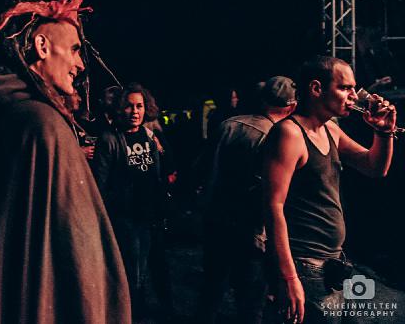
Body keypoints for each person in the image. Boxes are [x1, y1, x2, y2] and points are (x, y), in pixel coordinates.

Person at [0, 0, 164, 324]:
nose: (80, 64)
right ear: (42, 46)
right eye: (74, 49)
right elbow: (76, 254)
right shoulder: (41, 124)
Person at [262, 56, 397, 324]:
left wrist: (384, 132)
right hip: (303, 265)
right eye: (345, 88)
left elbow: (374, 167)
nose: (353, 96)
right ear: (316, 88)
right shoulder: (289, 134)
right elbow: (272, 206)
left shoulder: (330, 131)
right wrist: (289, 277)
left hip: (330, 263)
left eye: (353, 88)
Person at [198, 76, 297, 324]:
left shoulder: (228, 125)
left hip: (216, 223)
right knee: (250, 304)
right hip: (251, 232)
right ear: (292, 107)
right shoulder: (278, 137)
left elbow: (203, 169)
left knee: (210, 293)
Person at [91, 82, 174, 321]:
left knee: (158, 266)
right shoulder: (109, 139)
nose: (135, 111)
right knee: (133, 273)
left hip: (152, 214)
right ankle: (132, 315)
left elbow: (157, 173)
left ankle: (163, 311)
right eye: (129, 106)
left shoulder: (148, 135)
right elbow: (100, 184)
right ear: (119, 108)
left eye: (139, 106)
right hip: (127, 218)